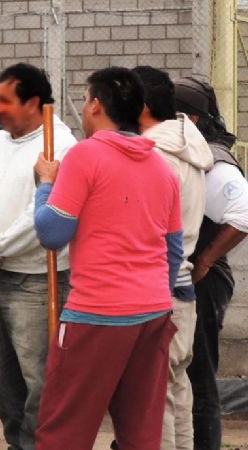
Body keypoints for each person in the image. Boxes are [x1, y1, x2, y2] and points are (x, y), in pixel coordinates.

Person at [33, 67, 182, 450]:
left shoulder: (85, 156)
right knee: (140, 434)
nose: (83, 110)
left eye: (84, 101)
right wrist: (151, 296)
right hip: (153, 314)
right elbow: (173, 249)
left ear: (96, 104)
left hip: (97, 314)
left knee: (63, 431)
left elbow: (52, 233)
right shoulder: (162, 169)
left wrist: (45, 185)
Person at [0, 63, 75, 450]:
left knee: (40, 380)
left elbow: (43, 216)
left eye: (4, 101)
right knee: (1, 380)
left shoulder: (59, 145)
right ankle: (18, 443)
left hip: (36, 281)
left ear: (32, 102)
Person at [134, 66, 213, 450]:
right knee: (176, 390)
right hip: (181, 291)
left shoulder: (156, 156)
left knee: (154, 399)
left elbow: (146, 230)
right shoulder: (188, 147)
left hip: (159, 289)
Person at [175, 76, 248, 450]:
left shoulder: (213, 159)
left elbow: (242, 214)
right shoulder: (193, 151)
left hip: (203, 280)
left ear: (192, 119)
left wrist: (206, 258)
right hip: (188, 277)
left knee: (199, 377)